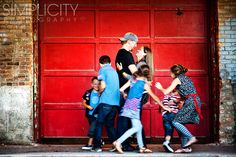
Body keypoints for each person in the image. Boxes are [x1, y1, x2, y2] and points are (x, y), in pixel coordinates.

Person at [113, 65, 171, 154]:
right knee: (136, 127)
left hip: (128, 105)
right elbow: (155, 97)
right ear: (147, 74)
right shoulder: (144, 85)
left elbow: (121, 89)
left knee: (138, 126)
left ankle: (141, 148)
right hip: (134, 107)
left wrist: (125, 95)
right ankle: (118, 142)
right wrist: (163, 107)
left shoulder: (132, 79)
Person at [155, 64, 203, 153]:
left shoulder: (177, 79)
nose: (170, 74)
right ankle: (185, 147)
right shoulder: (186, 78)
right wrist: (179, 100)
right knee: (181, 122)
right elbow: (188, 92)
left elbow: (166, 92)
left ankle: (191, 137)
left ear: (174, 73)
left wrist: (160, 87)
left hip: (190, 101)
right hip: (194, 100)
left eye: (170, 72)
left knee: (175, 122)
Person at [116, 46, 153, 149]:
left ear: (145, 54)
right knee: (136, 121)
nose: (137, 50)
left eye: (140, 50)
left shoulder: (141, 64)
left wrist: (121, 71)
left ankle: (138, 145)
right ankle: (141, 146)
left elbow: (134, 79)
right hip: (138, 96)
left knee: (134, 120)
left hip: (136, 96)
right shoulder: (140, 64)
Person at [115, 32, 138, 151]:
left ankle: (123, 142)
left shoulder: (120, 53)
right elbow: (136, 74)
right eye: (135, 43)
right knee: (125, 117)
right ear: (129, 41)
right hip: (127, 90)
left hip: (122, 89)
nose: (135, 46)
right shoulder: (126, 54)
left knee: (125, 116)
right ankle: (122, 144)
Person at [92, 55, 120, 152]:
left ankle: (97, 146)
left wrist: (99, 92)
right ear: (110, 63)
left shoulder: (103, 70)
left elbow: (102, 85)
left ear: (100, 64)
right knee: (110, 124)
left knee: (98, 123)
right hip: (115, 103)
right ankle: (115, 144)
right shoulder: (114, 72)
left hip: (106, 102)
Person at [81, 77, 100, 150]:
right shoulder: (88, 93)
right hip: (90, 114)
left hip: (98, 114)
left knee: (93, 128)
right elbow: (83, 103)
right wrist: (88, 106)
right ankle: (98, 142)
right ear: (92, 84)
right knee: (94, 128)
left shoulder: (101, 92)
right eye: (95, 84)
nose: (96, 85)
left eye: (98, 84)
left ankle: (89, 144)